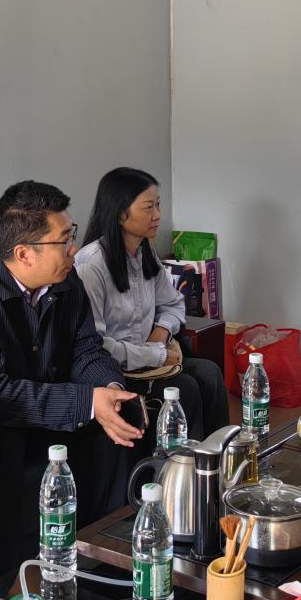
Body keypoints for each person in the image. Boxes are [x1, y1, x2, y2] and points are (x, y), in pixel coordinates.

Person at [0, 180, 143, 578]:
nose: (74, 249)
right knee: (13, 438)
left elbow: (86, 349)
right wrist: (86, 402)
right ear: (23, 254)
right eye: (64, 240)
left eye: (71, 235)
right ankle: (5, 586)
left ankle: (105, 564)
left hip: (26, 394)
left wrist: (110, 391)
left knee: (115, 424)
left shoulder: (63, 277)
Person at [75, 167, 229, 441]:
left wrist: (160, 334)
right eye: (148, 207)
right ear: (120, 214)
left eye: (158, 205)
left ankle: (221, 456)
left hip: (151, 359)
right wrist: (155, 355)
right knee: (186, 388)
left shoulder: (144, 251)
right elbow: (96, 346)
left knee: (210, 373)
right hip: (116, 371)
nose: (157, 215)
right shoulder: (92, 265)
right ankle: (184, 464)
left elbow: (173, 303)